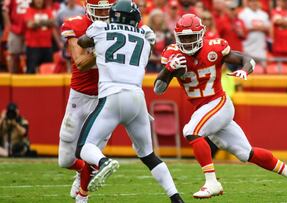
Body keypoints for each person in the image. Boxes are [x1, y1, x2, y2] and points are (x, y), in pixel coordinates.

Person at [154, 14, 287, 201]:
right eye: (184, 37)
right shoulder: (172, 55)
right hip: (205, 110)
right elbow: (158, 89)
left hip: (218, 103)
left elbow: (248, 59)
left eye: (190, 37)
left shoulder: (214, 48)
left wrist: (244, 70)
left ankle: (211, 182)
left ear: (201, 35)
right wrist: (168, 69)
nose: (187, 42)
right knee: (246, 153)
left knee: (191, 130)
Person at [75, 1, 184, 203]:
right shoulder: (145, 36)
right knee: (149, 156)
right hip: (136, 98)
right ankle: (176, 197)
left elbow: (82, 42)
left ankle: (103, 162)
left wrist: (98, 39)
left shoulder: (100, 28)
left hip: (112, 95)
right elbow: (143, 54)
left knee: (83, 147)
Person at [58, 0, 115, 202]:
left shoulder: (120, 24)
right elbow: (81, 63)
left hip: (106, 95)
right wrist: (104, 46)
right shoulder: (75, 24)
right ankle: (82, 170)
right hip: (80, 96)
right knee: (65, 159)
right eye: (98, 10)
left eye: (106, 10)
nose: (102, 14)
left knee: (92, 148)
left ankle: (82, 196)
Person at [24, 0, 58, 73]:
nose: (39, 1)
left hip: (47, 46)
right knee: (31, 70)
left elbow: (53, 22)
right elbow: (30, 24)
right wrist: (46, 22)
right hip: (33, 46)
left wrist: (37, 22)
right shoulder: (29, 10)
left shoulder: (48, 10)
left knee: (48, 71)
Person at [2, 0, 31, 73]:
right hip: (15, 29)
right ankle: (12, 77)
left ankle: (29, 77)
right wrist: (8, 26)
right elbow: (5, 9)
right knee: (13, 55)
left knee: (30, 55)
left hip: (31, 31)